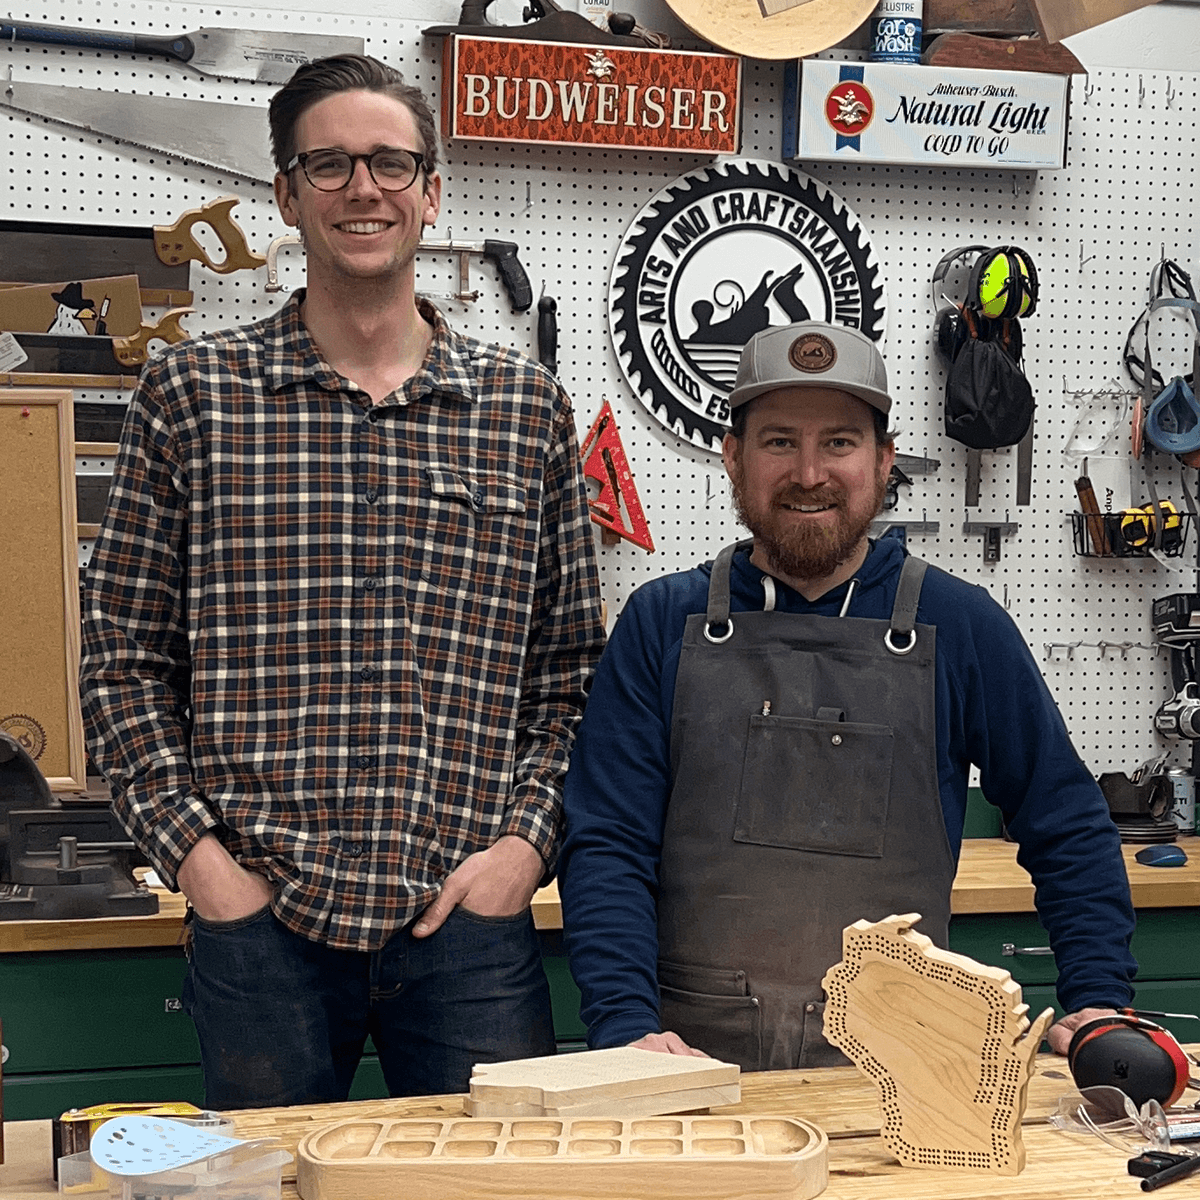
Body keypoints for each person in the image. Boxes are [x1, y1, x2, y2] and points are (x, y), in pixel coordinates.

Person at [79, 55, 605, 1108]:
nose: (363, 188)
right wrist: (202, 866)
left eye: (390, 163)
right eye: (329, 164)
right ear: (285, 193)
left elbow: (572, 679)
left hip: (466, 925)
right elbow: (123, 664)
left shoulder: (525, 411)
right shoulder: (192, 397)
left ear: (432, 190)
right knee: (264, 1190)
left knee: (492, 1194)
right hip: (261, 926)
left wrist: (521, 850)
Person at [558, 320, 1136, 1070]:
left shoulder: (960, 627)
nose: (808, 472)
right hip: (685, 1068)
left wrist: (1096, 999)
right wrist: (623, 1027)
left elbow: (1067, 824)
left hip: (905, 1068)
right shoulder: (661, 624)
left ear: (883, 459)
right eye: (777, 442)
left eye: (838, 442)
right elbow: (606, 840)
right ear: (732, 457)